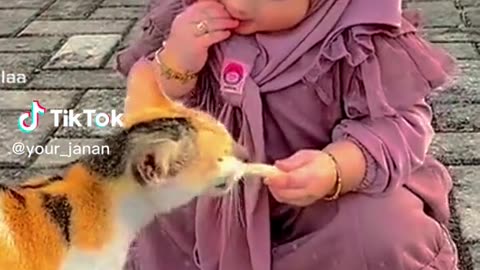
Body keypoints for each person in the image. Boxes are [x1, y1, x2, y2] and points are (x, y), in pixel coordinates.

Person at [115, 0, 459, 269]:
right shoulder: (197, 19)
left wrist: (337, 167)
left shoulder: (359, 36)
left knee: (379, 231)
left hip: (326, 197)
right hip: (221, 195)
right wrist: (177, 60)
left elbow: (400, 125)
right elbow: (157, 104)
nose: (239, 4)